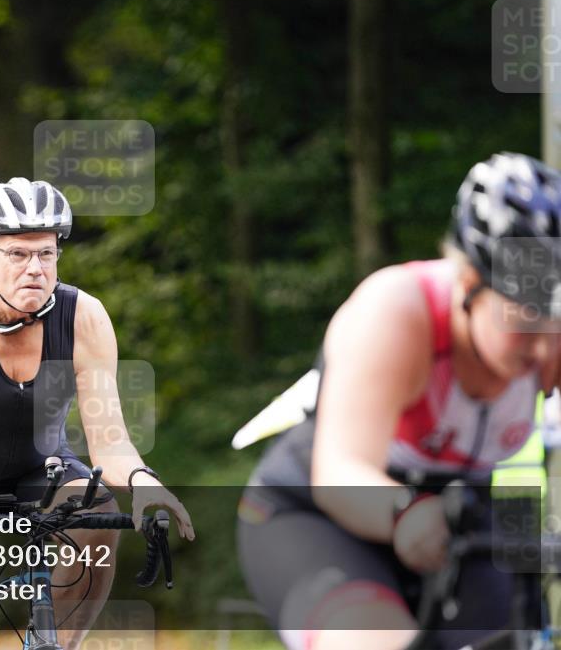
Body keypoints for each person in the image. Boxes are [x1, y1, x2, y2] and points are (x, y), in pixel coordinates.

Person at [237, 152, 561, 650]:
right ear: (470, 284)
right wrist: (406, 511)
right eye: (527, 319)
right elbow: (340, 470)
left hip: (458, 522)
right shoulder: (396, 312)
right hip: (317, 512)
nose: (544, 347)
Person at [0, 177, 195, 650]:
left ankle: (55, 643)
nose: (34, 268)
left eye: (46, 253)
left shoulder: (85, 317)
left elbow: (111, 441)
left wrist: (144, 481)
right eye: (18, 254)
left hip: (40, 466)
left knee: (99, 509)